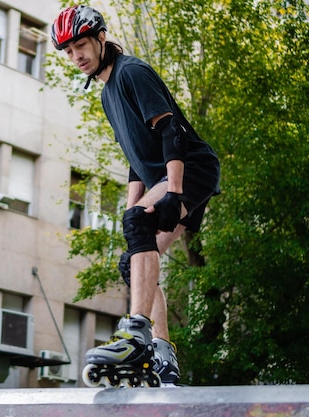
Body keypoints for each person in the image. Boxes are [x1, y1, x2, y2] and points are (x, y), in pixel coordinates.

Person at [52, 5, 220, 385]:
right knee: (134, 260)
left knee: (138, 225)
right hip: (164, 174)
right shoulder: (106, 93)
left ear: (100, 39)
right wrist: (132, 217)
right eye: (68, 51)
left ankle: (136, 335)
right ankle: (162, 355)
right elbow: (135, 161)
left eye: (81, 45)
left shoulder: (132, 72)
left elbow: (171, 132)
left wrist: (174, 192)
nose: (76, 56)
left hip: (190, 167)